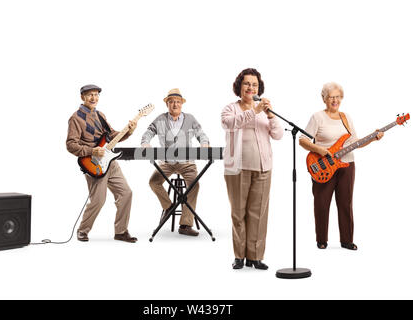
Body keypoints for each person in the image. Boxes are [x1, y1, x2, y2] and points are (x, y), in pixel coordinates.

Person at [299, 82, 384, 250]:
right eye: (331, 97)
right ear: (324, 99)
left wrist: (373, 138)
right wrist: (321, 151)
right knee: (321, 203)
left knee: (345, 203)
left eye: (338, 97)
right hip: (323, 166)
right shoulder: (317, 117)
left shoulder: (346, 117)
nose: (335, 100)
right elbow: (303, 140)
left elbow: (355, 143)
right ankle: (321, 239)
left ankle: (347, 240)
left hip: (347, 165)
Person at [221, 68, 283, 270]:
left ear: (259, 88)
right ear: (239, 86)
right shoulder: (230, 108)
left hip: (263, 167)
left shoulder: (264, 111)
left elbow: (278, 134)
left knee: (258, 213)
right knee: (238, 213)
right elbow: (230, 124)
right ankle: (239, 256)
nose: (251, 87)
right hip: (237, 168)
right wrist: (254, 112)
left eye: (254, 84)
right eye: (247, 83)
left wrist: (271, 116)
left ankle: (255, 256)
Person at [66, 84, 138, 243]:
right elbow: (71, 145)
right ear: (82, 97)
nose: (94, 98)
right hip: (94, 164)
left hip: (111, 163)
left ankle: (121, 231)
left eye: (96, 94)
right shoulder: (76, 118)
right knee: (98, 200)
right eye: (90, 95)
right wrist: (92, 151)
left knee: (126, 193)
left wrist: (129, 131)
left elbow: (112, 136)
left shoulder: (101, 115)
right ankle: (82, 230)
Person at [141, 88, 209, 237]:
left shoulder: (190, 118)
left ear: (182, 104)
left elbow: (201, 134)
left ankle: (185, 224)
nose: (175, 105)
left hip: (187, 163)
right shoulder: (160, 119)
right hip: (167, 162)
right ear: (167, 104)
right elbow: (148, 132)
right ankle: (169, 207)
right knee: (153, 182)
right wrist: (145, 143)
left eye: (178, 102)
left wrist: (204, 143)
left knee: (194, 185)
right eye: (171, 102)